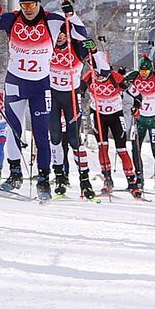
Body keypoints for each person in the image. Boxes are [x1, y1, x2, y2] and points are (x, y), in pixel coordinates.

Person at [0, 0, 84, 200]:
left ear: (39, 2)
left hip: (41, 86)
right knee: (13, 130)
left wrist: (72, 15)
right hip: (15, 83)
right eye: (24, 5)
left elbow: (81, 35)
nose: (28, 9)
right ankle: (14, 174)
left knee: (42, 134)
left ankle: (43, 178)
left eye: (32, 4)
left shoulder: (52, 20)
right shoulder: (11, 18)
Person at [45, 21, 96, 199]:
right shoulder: (48, 45)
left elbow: (99, 67)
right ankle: (59, 177)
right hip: (52, 96)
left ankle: (85, 180)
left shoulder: (77, 46)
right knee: (56, 138)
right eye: (57, 35)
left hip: (71, 97)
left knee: (75, 140)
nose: (59, 38)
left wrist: (94, 49)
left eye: (63, 35)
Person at [85, 50, 142, 198]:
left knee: (122, 149)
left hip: (115, 115)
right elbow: (77, 90)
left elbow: (137, 94)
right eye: (96, 73)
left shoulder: (115, 77)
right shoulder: (89, 77)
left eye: (101, 74)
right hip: (98, 115)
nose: (98, 77)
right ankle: (107, 180)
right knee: (102, 147)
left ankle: (132, 182)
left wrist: (136, 106)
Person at [125, 57, 155, 196]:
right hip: (139, 119)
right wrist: (121, 75)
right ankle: (139, 178)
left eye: (146, 70)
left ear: (150, 69)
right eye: (141, 70)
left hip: (154, 120)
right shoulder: (134, 76)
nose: (143, 73)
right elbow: (120, 82)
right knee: (135, 148)